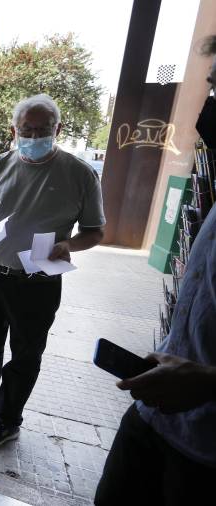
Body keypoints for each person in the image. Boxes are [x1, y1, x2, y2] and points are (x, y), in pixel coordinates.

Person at [94, 35, 216, 505]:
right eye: (212, 87)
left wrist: (207, 381)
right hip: (153, 421)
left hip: (206, 456)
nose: (207, 107)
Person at [0, 94, 105, 448]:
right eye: (27, 129)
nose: (35, 136)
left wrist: (70, 246)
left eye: (43, 129)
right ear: (14, 130)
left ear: (58, 129)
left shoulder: (80, 174)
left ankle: (7, 419)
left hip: (37, 281)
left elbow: (95, 231)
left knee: (25, 354)